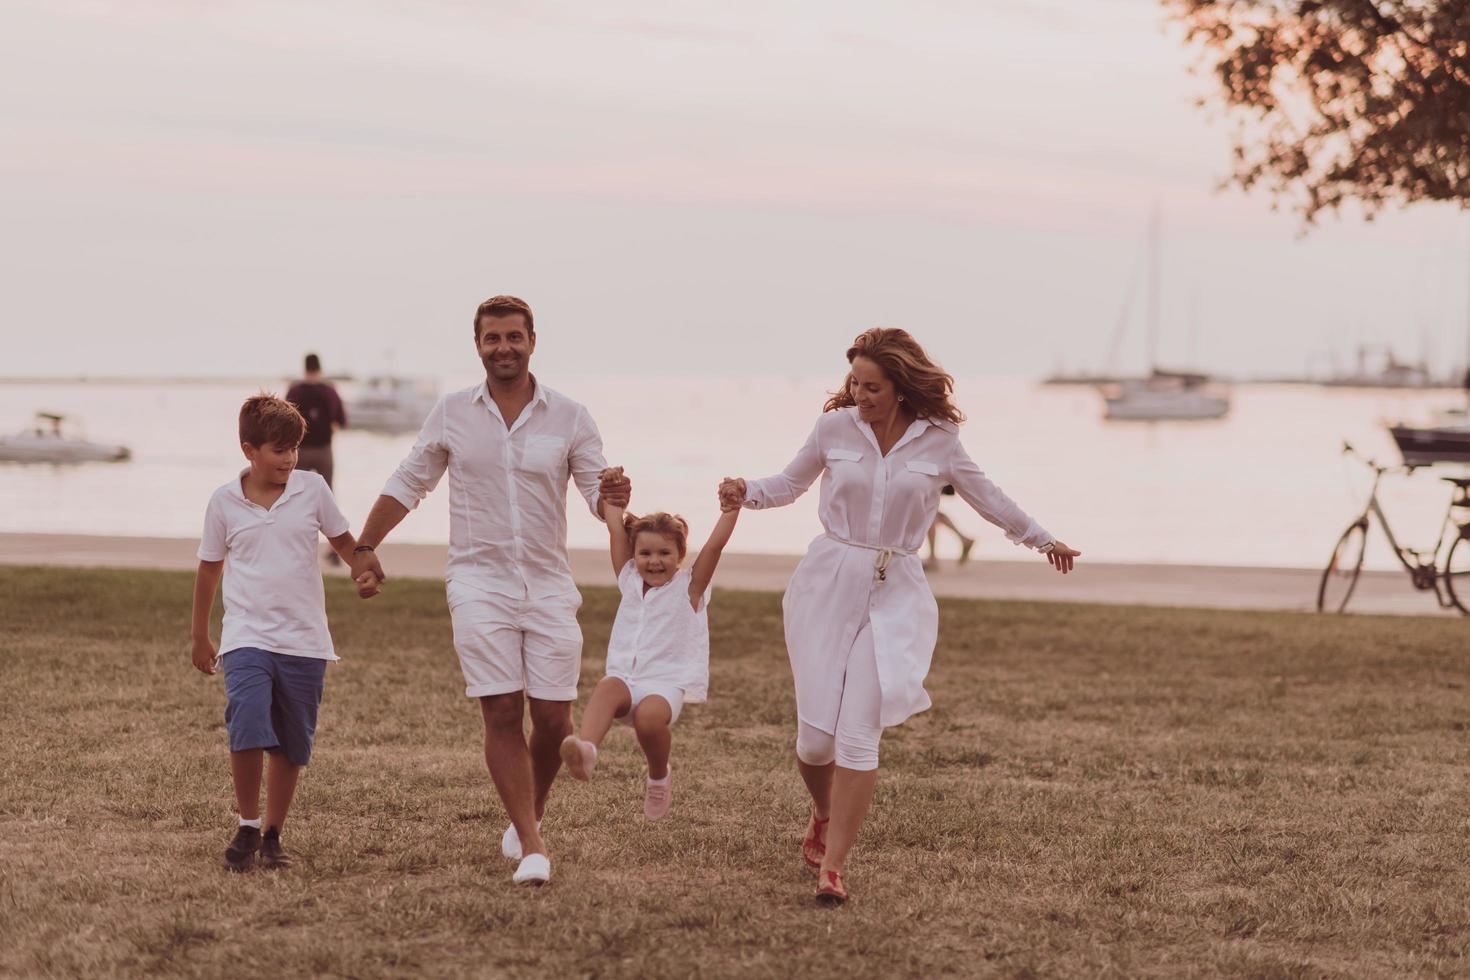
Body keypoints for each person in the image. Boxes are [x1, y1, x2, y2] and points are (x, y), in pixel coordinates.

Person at [719, 328, 1080, 906]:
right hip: (827, 584)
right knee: (815, 743)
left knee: (859, 736)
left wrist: (1044, 540)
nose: (861, 395)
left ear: (903, 387)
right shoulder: (833, 428)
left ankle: (832, 867)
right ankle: (822, 811)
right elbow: (788, 484)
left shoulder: (940, 441)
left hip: (897, 595)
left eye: (873, 387)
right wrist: (746, 490)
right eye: (855, 384)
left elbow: (990, 499)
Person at [349, 295, 630, 887]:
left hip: (549, 583)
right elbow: (410, 480)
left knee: (554, 722)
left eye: (513, 337)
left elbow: (596, 495)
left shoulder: (571, 417)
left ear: (533, 341)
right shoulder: (452, 413)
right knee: (502, 708)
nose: (503, 347)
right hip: (478, 580)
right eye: (492, 338)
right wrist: (364, 547)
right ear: (477, 345)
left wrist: (619, 506)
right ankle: (532, 845)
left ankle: (527, 811)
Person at [189, 393, 367, 872]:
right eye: (278, 449)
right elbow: (209, 570)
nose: (289, 458)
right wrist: (200, 636)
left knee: (291, 743)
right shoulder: (223, 501)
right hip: (246, 634)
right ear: (249, 449)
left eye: (293, 449)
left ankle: (272, 834)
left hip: (305, 639)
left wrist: (362, 567)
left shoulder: (312, 489)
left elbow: (344, 541)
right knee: (245, 721)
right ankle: (247, 823)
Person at [558, 496, 740, 821]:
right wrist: (611, 497)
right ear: (634, 556)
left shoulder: (690, 588)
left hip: (665, 685)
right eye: (645, 553)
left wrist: (731, 509)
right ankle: (586, 751)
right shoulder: (629, 580)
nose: (654, 561)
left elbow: (714, 547)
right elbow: (615, 533)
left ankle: (658, 775)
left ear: (680, 555)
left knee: (648, 718)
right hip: (626, 679)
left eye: (664, 553)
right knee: (607, 685)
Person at [286, 355, 348, 563]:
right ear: (320, 368)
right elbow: (341, 420)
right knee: (329, 498)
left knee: (294, 497)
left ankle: (293, 545)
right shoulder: (329, 390)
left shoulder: (295, 390)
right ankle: (334, 550)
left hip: (299, 450)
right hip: (323, 449)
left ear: (304, 368)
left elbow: (283, 420)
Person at [923, 487, 975, 571]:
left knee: (929, 512)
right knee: (930, 510)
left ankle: (932, 559)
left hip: (930, 476)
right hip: (934, 475)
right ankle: (964, 539)